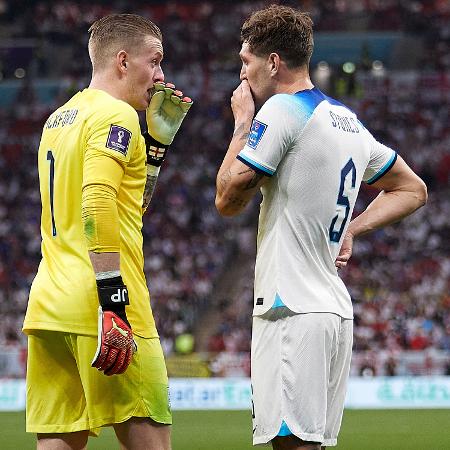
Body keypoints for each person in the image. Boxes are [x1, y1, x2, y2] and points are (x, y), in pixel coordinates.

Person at [215, 5, 427, 450]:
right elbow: (412, 189)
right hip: (331, 309)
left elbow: (227, 200)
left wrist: (241, 124)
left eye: (245, 61)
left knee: (292, 445)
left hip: (290, 307)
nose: (242, 73)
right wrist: (353, 228)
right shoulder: (347, 121)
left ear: (273, 62)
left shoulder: (282, 111)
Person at [23, 14, 192, 450]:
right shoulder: (115, 116)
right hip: (104, 304)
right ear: (122, 60)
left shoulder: (59, 118)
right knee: (150, 439)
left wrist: (153, 150)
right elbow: (97, 202)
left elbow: (125, 210)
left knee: (59, 441)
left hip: (50, 304)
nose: (160, 76)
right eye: (154, 62)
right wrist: (113, 301)